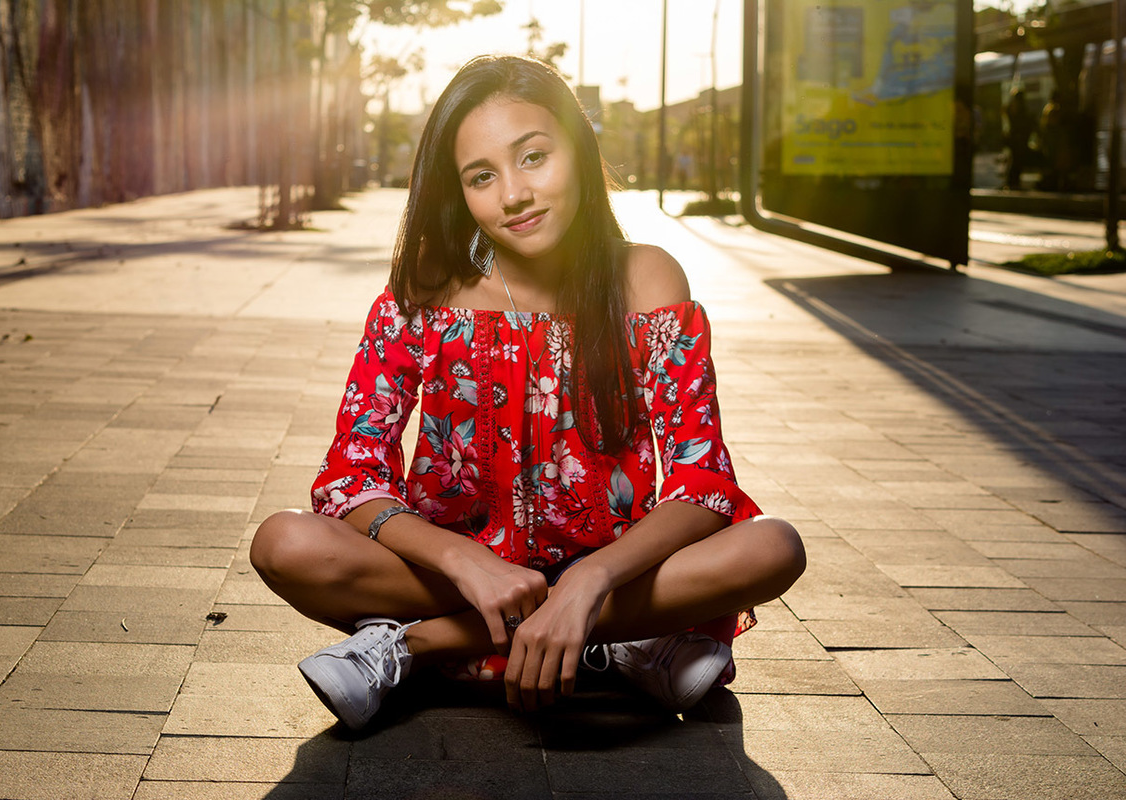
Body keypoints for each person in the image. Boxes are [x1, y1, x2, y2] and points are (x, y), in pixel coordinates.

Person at [249, 54, 806, 731]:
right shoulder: (426, 290)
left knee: (772, 547)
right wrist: (465, 560)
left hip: (615, 577)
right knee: (285, 543)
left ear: (578, 147)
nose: (513, 194)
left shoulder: (647, 278)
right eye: (482, 177)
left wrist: (588, 582)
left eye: (533, 157)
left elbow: (703, 480)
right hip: (455, 578)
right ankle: (619, 649)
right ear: (459, 192)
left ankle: (419, 648)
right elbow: (350, 475)